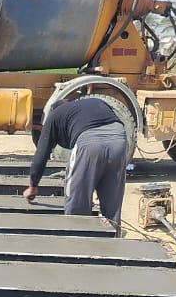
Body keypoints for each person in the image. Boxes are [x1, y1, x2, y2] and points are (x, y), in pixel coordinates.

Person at [23, 95, 129, 234]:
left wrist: (33, 186)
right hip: (120, 141)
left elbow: (41, 155)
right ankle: (114, 238)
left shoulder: (55, 115)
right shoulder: (94, 102)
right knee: (112, 202)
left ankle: (77, 239)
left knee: (76, 203)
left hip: (89, 143)